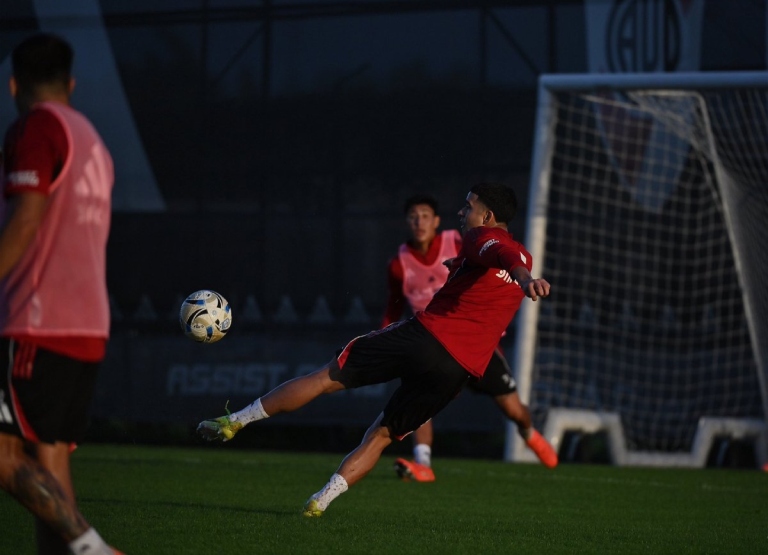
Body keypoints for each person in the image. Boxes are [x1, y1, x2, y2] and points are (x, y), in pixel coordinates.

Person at [197, 183, 551, 518]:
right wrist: (499, 274)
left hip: (425, 337)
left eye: (469, 206)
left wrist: (524, 279)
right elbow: (502, 266)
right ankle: (321, 501)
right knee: (381, 435)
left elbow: (503, 253)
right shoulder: (511, 255)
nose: (462, 211)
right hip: (458, 370)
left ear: (487, 217)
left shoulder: (483, 238)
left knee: (325, 378)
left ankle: (234, 421)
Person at [0, 34, 121, 555]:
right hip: (88, 322)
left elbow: (27, 219)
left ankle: (93, 549)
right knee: (50, 465)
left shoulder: (37, 127)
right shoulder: (93, 138)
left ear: (12, 86)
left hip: (37, 318)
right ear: (71, 83)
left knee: (4, 455)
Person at [381, 194, 557, 482]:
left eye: (425, 216)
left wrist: (523, 279)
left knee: (514, 410)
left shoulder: (460, 239)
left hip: (478, 344)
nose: (419, 222)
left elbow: (497, 253)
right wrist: (383, 336)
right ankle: (422, 462)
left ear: (436, 221)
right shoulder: (399, 264)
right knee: (418, 395)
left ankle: (528, 433)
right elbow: (393, 307)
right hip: (433, 340)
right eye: (413, 216)